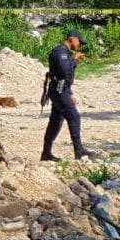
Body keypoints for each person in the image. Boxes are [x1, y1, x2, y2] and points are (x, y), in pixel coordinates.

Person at [40, 30, 96, 161]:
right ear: (72, 39)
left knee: (55, 121)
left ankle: (46, 153)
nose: (80, 45)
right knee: (74, 116)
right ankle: (79, 151)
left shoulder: (65, 53)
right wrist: (74, 59)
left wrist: (70, 93)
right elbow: (65, 72)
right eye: (79, 42)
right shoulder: (60, 52)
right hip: (59, 91)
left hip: (61, 90)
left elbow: (65, 77)